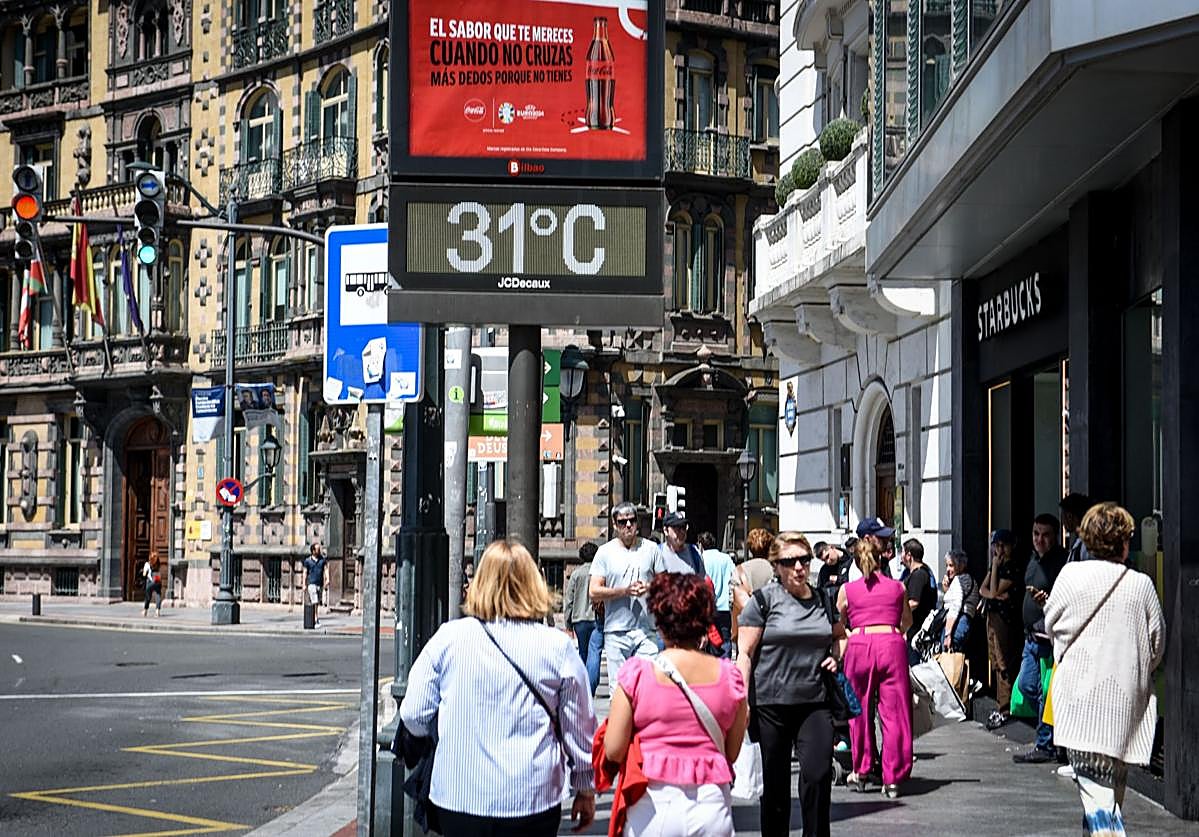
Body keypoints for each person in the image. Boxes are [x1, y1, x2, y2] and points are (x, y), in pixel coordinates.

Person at [400, 539, 596, 836]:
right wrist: (584, 786)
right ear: (533, 584)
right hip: (532, 798)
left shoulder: (449, 639)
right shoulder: (556, 647)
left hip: (459, 796)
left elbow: (414, 713)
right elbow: (579, 727)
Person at [1044, 503, 1165, 836]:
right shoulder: (1141, 585)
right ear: (1124, 542)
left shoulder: (1070, 576)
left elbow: (1051, 624)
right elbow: (1157, 645)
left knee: (1099, 804)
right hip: (1125, 709)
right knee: (1108, 797)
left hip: (1079, 704)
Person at [604, 573, 749, 836]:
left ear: (659, 621)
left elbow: (613, 749)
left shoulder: (637, 674)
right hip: (711, 802)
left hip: (652, 803)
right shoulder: (730, 677)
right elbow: (731, 752)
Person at [737, 531, 843, 837]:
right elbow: (745, 653)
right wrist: (742, 700)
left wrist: (836, 657)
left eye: (804, 560)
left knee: (818, 774)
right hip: (771, 704)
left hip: (815, 701)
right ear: (776, 566)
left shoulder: (823, 599)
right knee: (776, 785)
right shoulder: (763, 601)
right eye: (790, 561)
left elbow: (840, 636)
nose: (799, 567)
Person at [838, 538, 913, 798]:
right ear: (882, 558)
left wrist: (854, 634)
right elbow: (906, 621)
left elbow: (839, 623)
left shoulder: (848, 590)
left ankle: (861, 770)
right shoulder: (898, 587)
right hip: (891, 643)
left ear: (858, 563)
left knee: (858, 710)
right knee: (895, 713)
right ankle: (892, 778)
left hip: (860, 644)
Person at [1012, 513, 1070, 764]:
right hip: (1031, 639)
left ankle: (1046, 742)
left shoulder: (1062, 562)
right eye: (1036, 534)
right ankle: (1051, 732)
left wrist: (1047, 601)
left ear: (1055, 536)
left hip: (1049, 640)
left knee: (1046, 694)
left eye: (1045, 535)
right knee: (1026, 685)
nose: (1040, 540)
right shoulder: (1033, 559)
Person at [590, 501, 663, 668]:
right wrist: (624, 591)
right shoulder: (604, 552)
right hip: (616, 632)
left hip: (646, 630)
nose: (628, 525)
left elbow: (666, 583)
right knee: (619, 683)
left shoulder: (651, 549)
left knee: (647, 681)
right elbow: (593, 591)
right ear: (615, 525)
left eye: (632, 520)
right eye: (623, 522)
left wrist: (649, 588)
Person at [979, 528, 1024, 729]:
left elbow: (993, 590)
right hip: (992, 615)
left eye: (1003, 545)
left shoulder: (1012, 568)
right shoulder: (997, 566)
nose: (999, 550)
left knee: (1004, 661)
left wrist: (995, 569)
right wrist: (993, 590)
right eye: (996, 545)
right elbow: (984, 589)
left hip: (1005, 619)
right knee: (995, 661)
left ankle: (1005, 707)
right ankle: (1001, 703)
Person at [564, 542, 602, 695]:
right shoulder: (600, 573)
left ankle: (582, 687)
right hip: (596, 618)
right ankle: (590, 688)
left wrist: (568, 622)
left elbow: (569, 600)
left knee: (583, 652)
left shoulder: (576, 574)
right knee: (595, 652)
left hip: (579, 619)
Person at [698, 531, 735, 653]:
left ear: (700, 544)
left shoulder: (700, 559)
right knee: (725, 640)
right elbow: (734, 576)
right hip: (724, 607)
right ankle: (725, 663)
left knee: (707, 643)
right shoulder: (726, 558)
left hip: (707, 608)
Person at [901, 539, 936, 654]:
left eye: (902, 552)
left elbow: (914, 602)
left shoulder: (919, 575)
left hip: (917, 631)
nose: (901, 556)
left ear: (908, 555)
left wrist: (897, 614)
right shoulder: (923, 571)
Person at [941, 549, 977, 651]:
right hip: (965, 622)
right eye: (947, 565)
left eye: (951, 565)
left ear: (961, 566)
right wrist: (947, 589)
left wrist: (948, 634)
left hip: (956, 624)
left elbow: (955, 606)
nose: (948, 569)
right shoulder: (971, 580)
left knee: (949, 655)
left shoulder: (959, 581)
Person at [815, 542, 854, 609]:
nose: (828, 561)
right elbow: (820, 592)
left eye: (827, 556)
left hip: (853, 605)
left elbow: (857, 581)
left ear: (832, 547)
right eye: (824, 560)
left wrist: (838, 579)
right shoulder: (824, 571)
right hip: (834, 609)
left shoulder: (852, 560)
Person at [1060, 493, 1093, 562]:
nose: (1062, 522)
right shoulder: (1080, 543)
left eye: (1063, 516)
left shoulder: (1086, 546)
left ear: (1069, 516)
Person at [303, 543, 329, 628]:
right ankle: (315, 619)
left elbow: (325, 569)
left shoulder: (322, 560)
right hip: (311, 584)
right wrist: (304, 584)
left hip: (320, 584)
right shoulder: (308, 561)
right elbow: (305, 572)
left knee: (317, 601)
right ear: (313, 551)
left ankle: (312, 618)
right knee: (315, 602)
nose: (319, 551)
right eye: (318, 549)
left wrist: (327, 579)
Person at [142, 551, 163, 617]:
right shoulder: (158, 564)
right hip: (158, 580)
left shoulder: (147, 564)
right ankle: (157, 611)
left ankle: (145, 611)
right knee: (158, 595)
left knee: (148, 596)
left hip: (150, 581)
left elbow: (144, 574)